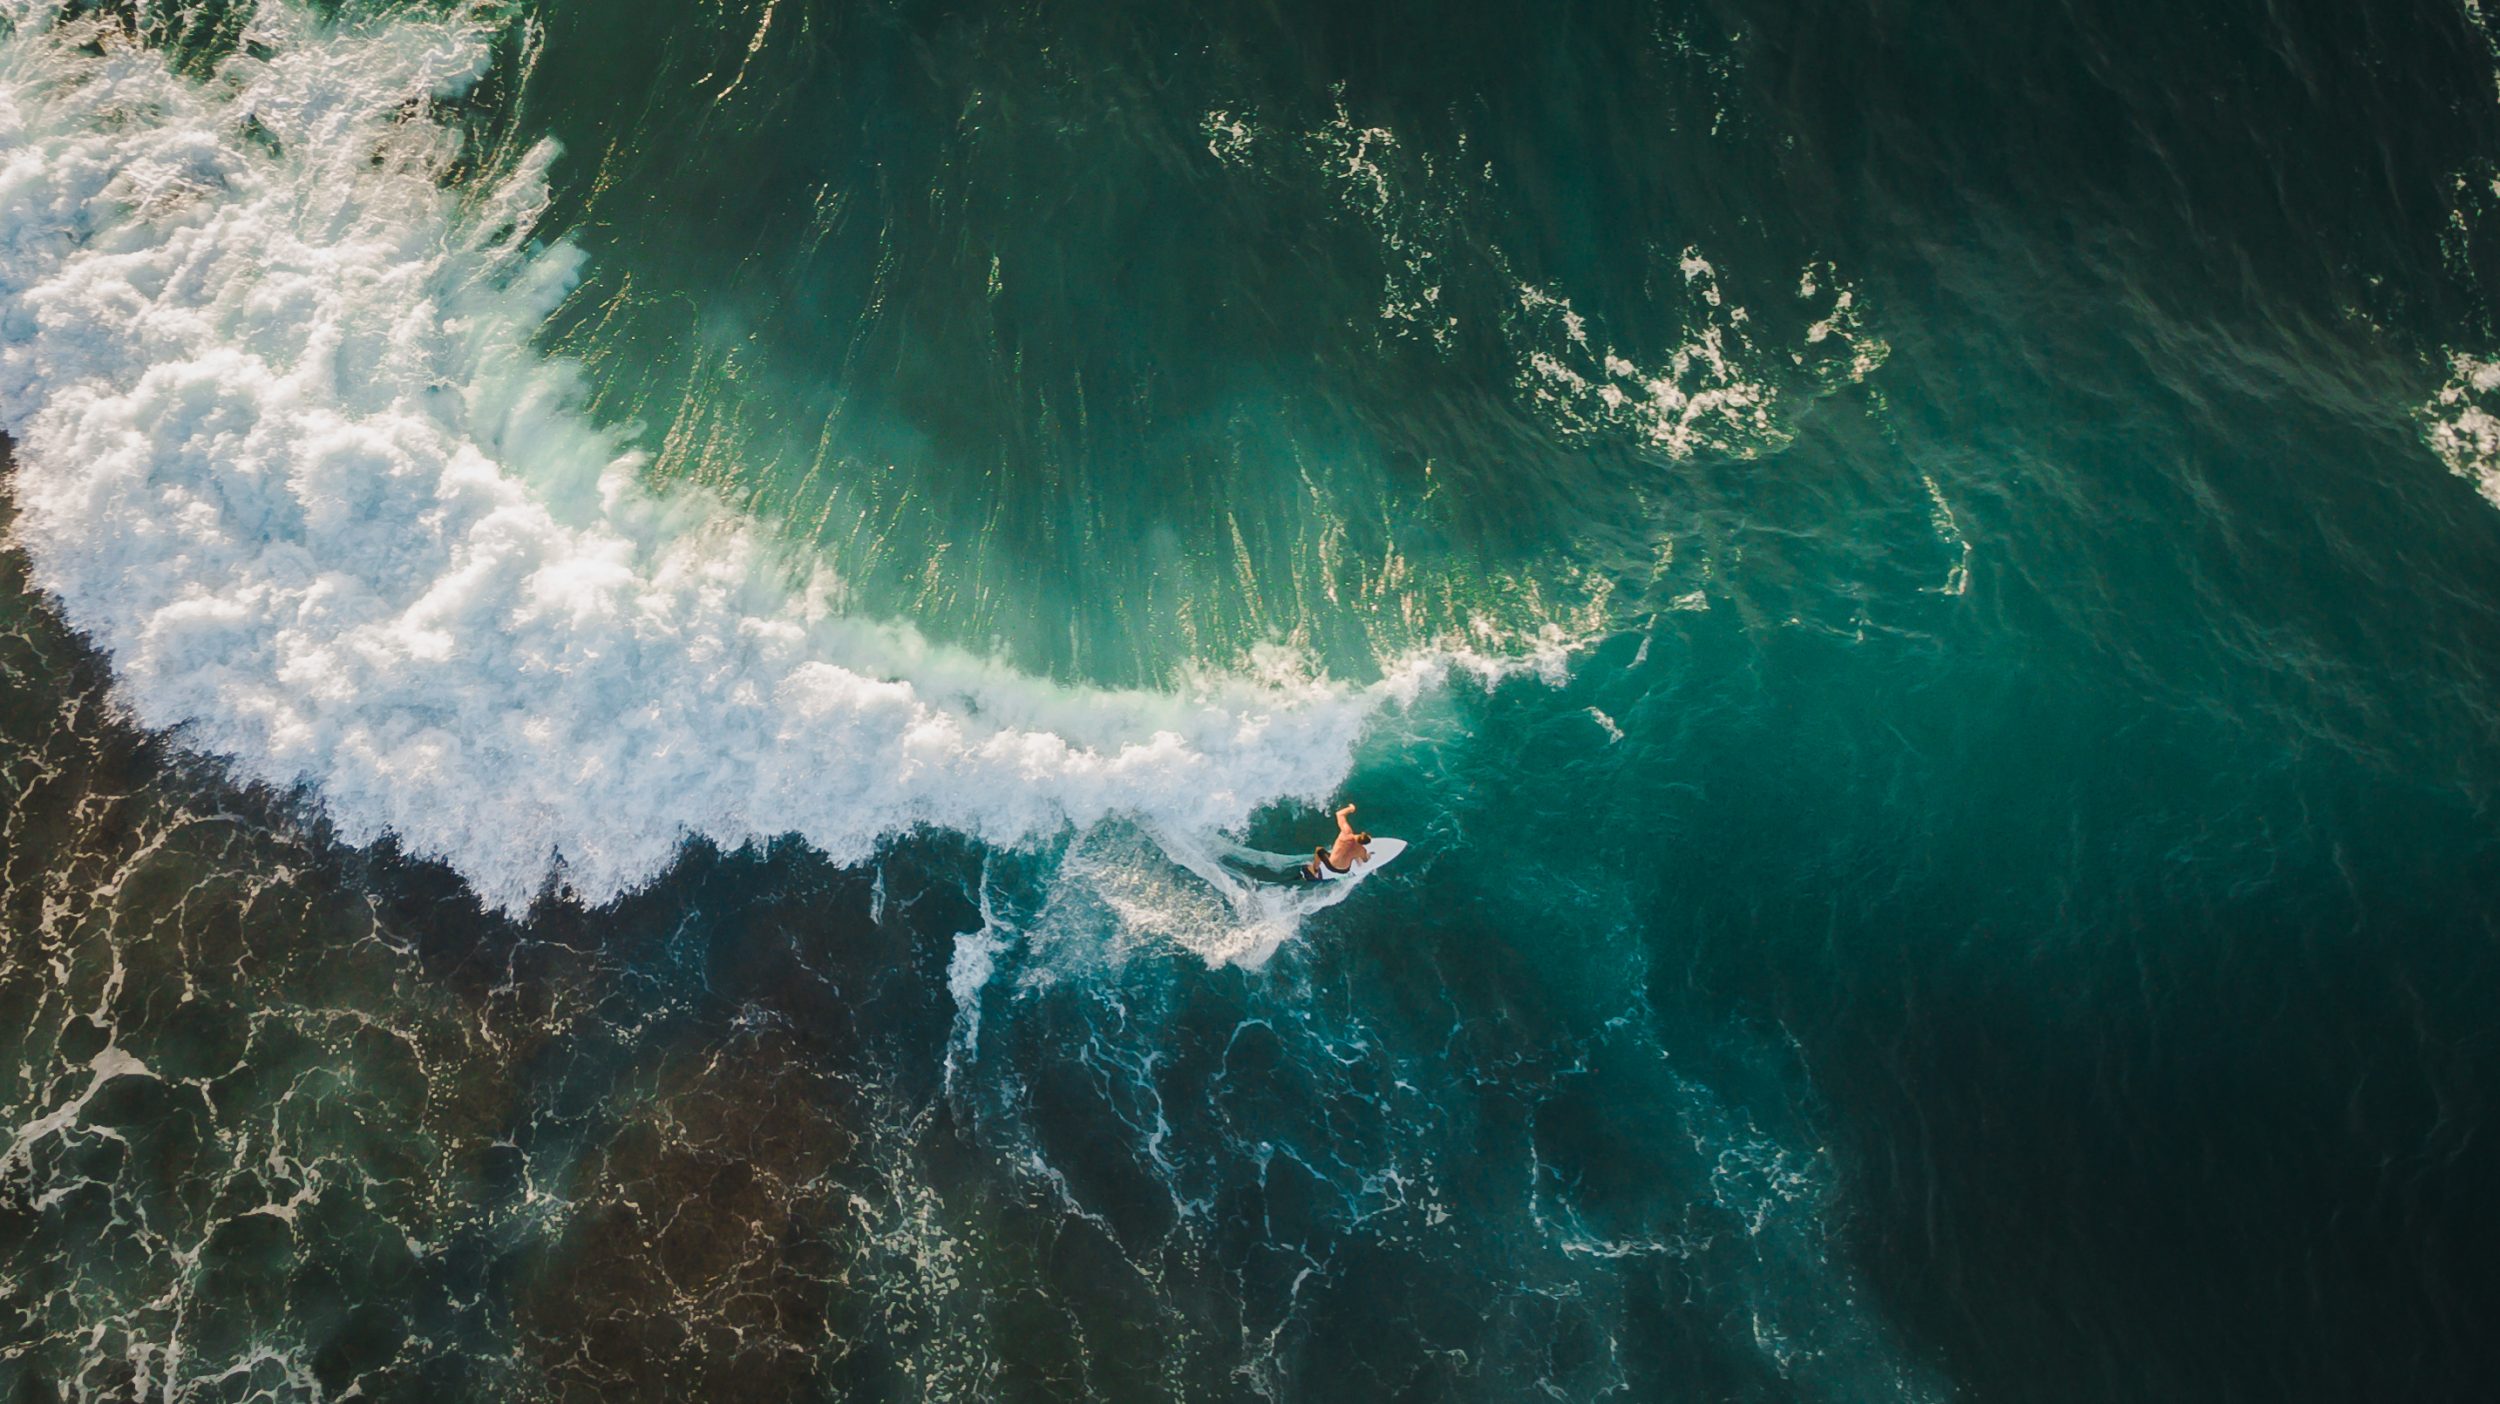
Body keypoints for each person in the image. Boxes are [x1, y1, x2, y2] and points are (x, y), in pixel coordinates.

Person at [1300, 803, 1372, 880]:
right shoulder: (1361, 850)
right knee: (1355, 855)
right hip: (1344, 870)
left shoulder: (1346, 832)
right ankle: (1356, 859)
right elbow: (1365, 860)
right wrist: (1367, 856)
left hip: (1331, 865)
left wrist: (1351, 809)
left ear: (1362, 833)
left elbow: (1339, 814)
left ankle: (1315, 870)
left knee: (1319, 850)